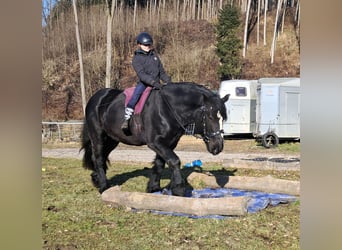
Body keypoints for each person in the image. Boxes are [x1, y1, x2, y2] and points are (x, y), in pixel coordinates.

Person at [121, 32, 171, 132]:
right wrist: (153, 83)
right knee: (136, 95)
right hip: (144, 83)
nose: (147, 46)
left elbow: (162, 72)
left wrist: (169, 82)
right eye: (145, 45)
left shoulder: (154, 56)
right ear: (139, 44)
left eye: (149, 44)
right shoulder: (136, 59)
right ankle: (127, 118)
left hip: (157, 83)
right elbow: (142, 75)